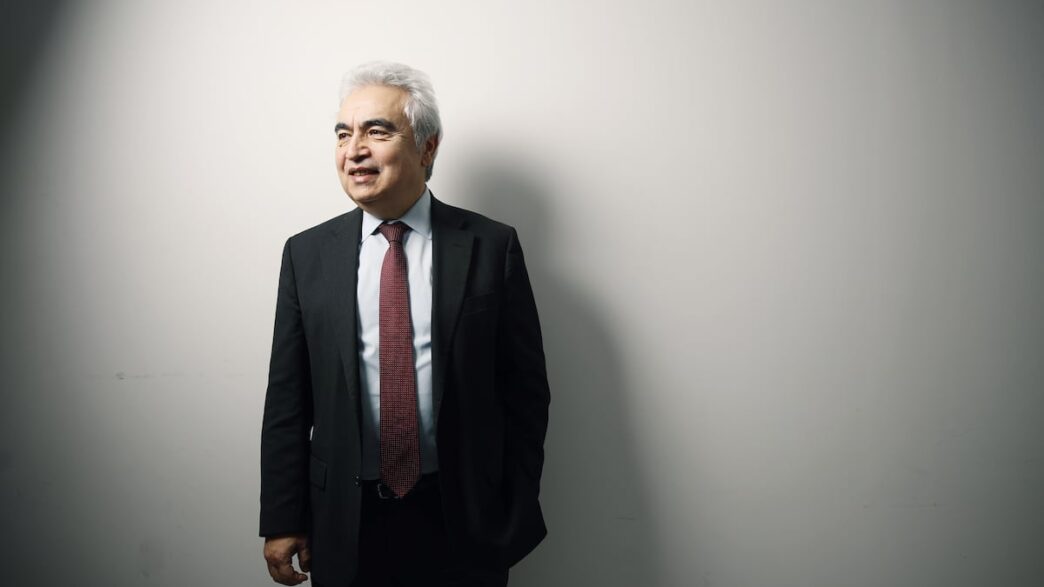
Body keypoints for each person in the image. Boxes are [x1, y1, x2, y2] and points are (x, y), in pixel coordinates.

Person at [259, 61, 551, 587]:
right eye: (343, 134)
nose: (354, 150)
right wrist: (283, 517)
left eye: (377, 131)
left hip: (462, 519)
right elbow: (287, 400)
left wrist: (512, 508)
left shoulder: (491, 246)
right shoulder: (306, 255)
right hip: (344, 520)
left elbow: (525, 394)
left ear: (427, 147)